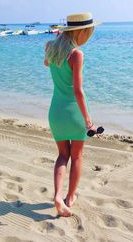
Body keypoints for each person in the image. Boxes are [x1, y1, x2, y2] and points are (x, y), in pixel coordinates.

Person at [44, 12, 102, 217]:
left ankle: (58, 195)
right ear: (83, 31)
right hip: (73, 113)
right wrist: (88, 122)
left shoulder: (50, 47)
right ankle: (70, 197)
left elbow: (46, 64)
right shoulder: (76, 54)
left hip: (56, 112)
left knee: (62, 155)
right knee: (77, 156)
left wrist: (58, 40)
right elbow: (79, 91)